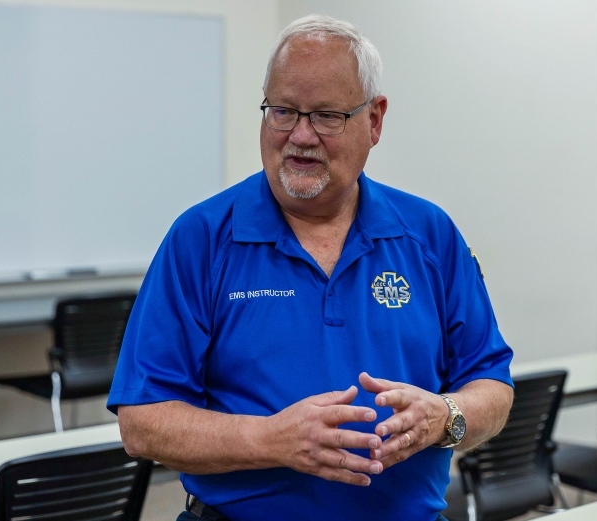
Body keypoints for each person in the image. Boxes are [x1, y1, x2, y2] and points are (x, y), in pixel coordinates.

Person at [108, 14, 514, 521]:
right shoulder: (201, 239)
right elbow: (142, 422)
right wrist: (269, 440)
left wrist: (446, 416)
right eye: (282, 111)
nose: (300, 136)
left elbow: (492, 386)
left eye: (326, 115)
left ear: (375, 120)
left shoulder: (428, 234)